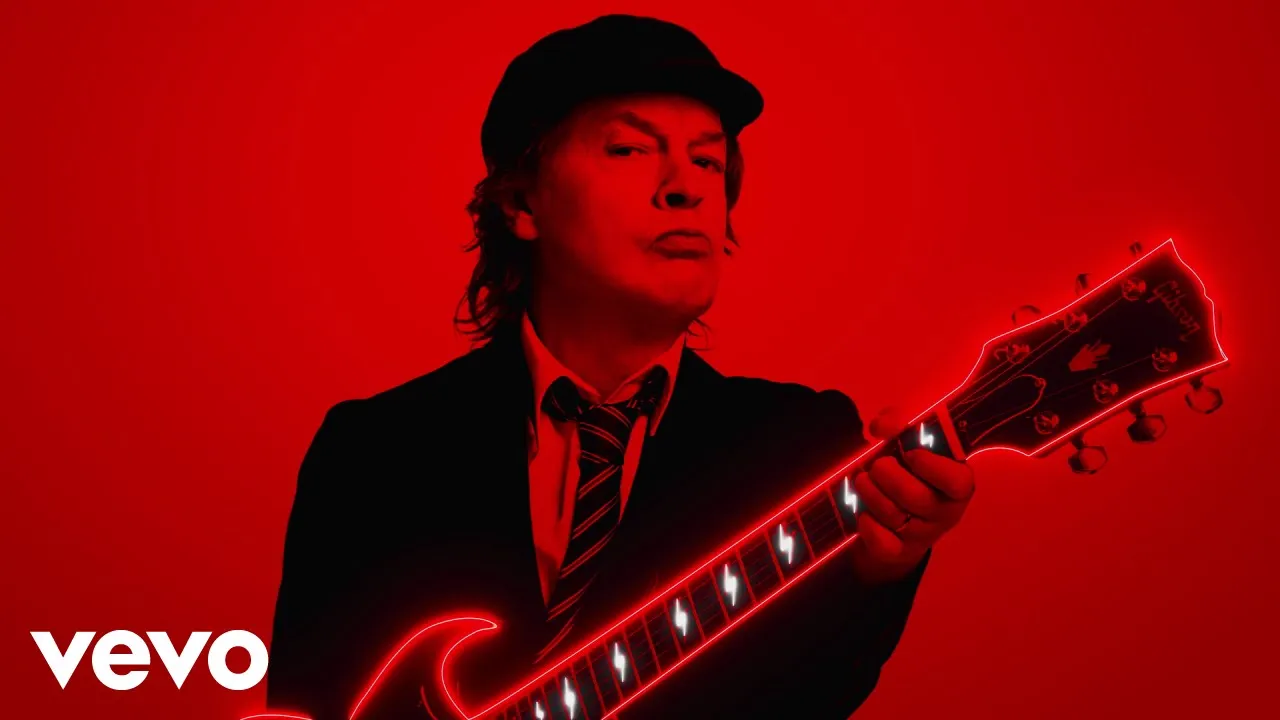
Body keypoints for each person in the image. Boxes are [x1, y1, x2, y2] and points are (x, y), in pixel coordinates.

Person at [266, 14, 975, 719]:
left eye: (709, 161)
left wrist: (879, 568)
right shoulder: (370, 451)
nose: (688, 188)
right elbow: (309, 701)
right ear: (521, 202)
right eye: (630, 150)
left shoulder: (800, 444)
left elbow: (804, 698)